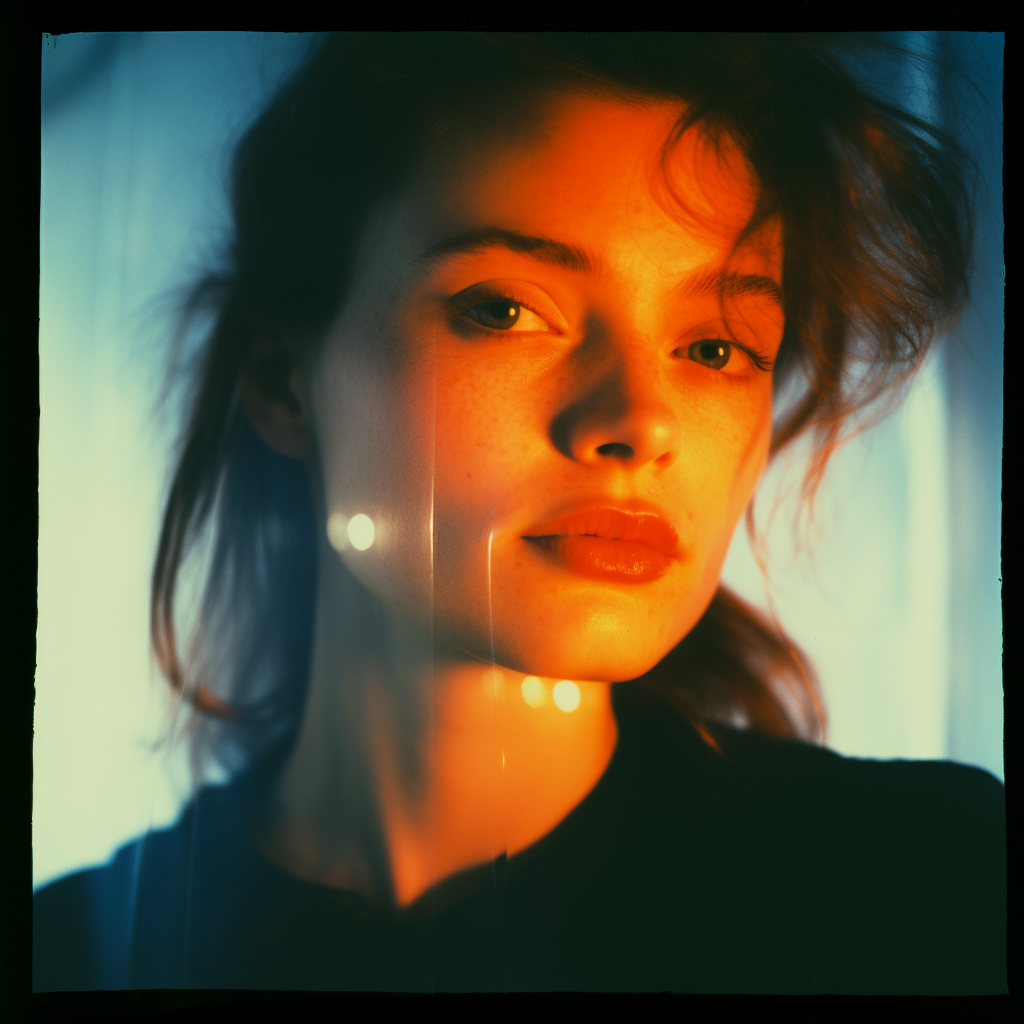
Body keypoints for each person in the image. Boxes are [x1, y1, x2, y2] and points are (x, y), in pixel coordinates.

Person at [34, 32, 1005, 994]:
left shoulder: (935, 889)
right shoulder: (68, 957)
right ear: (285, 380)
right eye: (503, 308)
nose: (635, 421)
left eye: (714, 347)